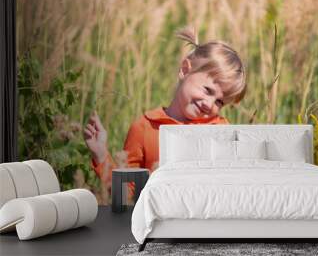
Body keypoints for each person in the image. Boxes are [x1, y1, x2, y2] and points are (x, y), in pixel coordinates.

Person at [83, 27, 247, 194]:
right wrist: (101, 155)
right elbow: (128, 194)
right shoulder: (144, 128)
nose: (209, 104)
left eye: (219, 102)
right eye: (208, 90)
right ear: (185, 70)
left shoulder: (220, 130)